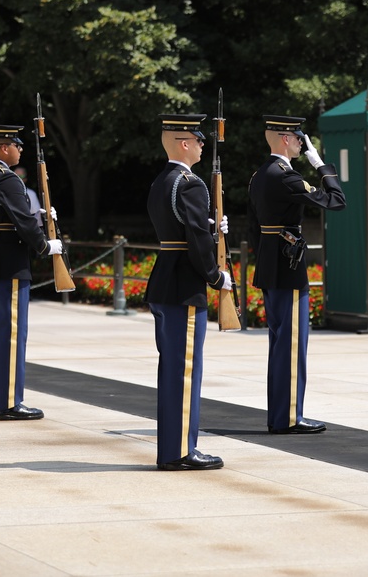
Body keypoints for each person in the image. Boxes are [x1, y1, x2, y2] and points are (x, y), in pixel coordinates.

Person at [143, 113, 231, 471]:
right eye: (196, 139)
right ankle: (180, 451)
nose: (201, 144)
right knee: (184, 371)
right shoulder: (191, 183)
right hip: (185, 286)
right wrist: (215, 276)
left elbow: (183, 228)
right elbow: (194, 239)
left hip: (165, 279)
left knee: (172, 370)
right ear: (183, 143)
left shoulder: (162, 181)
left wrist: (210, 226)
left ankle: (172, 449)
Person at [248, 115, 345, 434]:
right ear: (284, 139)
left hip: (269, 264)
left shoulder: (259, 175)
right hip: (288, 268)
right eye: (298, 138)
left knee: (279, 344)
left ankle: (280, 415)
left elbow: (253, 229)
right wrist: (320, 164)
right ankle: (289, 418)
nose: (302, 144)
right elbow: (336, 201)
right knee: (291, 346)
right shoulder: (285, 176)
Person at [0, 123, 63, 420]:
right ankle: (10, 403)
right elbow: (21, 223)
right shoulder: (7, 177)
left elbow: (8, 214)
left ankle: (1, 399)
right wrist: (44, 245)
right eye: (17, 144)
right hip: (10, 261)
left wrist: (36, 215)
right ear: (4, 148)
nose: (21, 149)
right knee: (12, 333)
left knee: (0, 333)